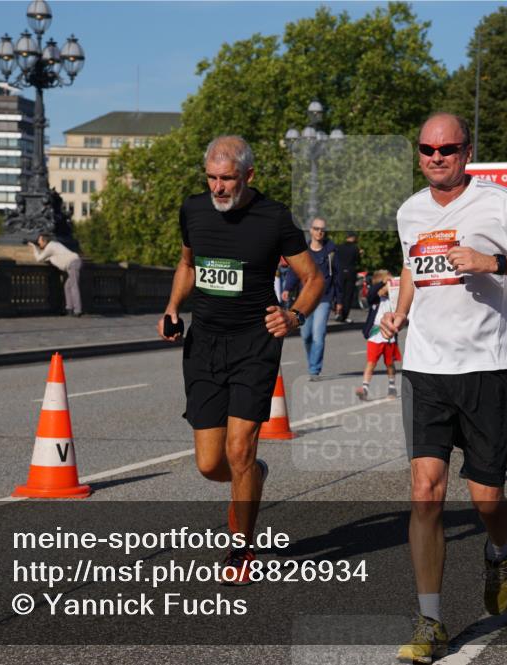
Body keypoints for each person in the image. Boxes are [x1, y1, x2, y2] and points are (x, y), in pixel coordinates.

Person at [380, 113, 507, 663]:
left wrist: (496, 261)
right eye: (427, 148)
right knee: (425, 490)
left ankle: (499, 549)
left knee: (486, 500)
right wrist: (400, 311)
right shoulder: (409, 210)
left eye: (448, 148)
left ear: (468, 151)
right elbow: (413, 266)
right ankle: (431, 621)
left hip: (488, 367)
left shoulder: (501, 203)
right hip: (426, 367)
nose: (436, 156)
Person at [159, 135, 322, 583]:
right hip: (205, 344)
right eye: (211, 178)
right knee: (211, 463)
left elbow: (312, 278)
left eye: (227, 178)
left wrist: (294, 316)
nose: (218, 188)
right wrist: (173, 308)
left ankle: (242, 548)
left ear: (248, 175)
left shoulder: (273, 218)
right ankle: (253, 474)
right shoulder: (193, 210)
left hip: (255, 342)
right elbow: (188, 264)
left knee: (239, 449)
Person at [283, 217, 341, 379]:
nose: (319, 232)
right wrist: (287, 288)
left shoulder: (331, 251)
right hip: (306, 298)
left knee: (318, 335)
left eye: (322, 229)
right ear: (310, 230)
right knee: (306, 335)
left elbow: (337, 277)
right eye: (316, 228)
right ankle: (312, 363)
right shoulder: (304, 251)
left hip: (324, 298)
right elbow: (295, 271)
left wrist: (339, 300)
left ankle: (314, 369)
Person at [355, 269, 400, 401]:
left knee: (390, 363)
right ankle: (365, 388)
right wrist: (381, 283)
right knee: (371, 362)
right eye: (388, 283)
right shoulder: (375, 299)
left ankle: (392, 386)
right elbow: (371, 293)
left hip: (389, 336)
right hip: (375, 336)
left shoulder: (393, 300)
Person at [30, 233, 84, 317]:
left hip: (73, 264)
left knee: (74, 286)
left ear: (45, 241)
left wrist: (34, 247)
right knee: (67, 286)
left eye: (39, 241)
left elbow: (39, 258)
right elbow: (48, 257)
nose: (38, 243)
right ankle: (69, 308)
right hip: (73, 264)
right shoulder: (53, 246)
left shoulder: (50, 247)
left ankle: (78, 310)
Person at [336, 230, 362, 323]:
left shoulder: (339, 247)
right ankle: (344, 315)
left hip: (339, 272)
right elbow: (358, 261)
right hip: (350, 273)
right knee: (348, 295)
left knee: (339, 292)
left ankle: (337, 312)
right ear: (353, 238)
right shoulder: (355, 248)